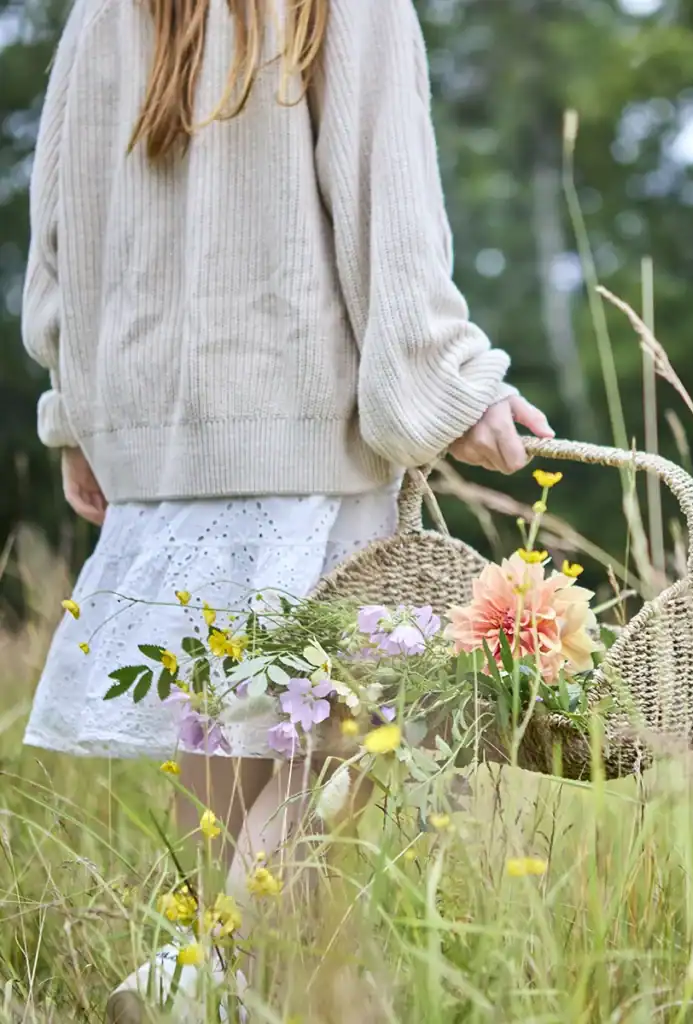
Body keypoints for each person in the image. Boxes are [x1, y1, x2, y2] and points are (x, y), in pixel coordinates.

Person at [20, 0, 552, 1017]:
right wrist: (452, 385)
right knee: (338, 749)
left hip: (156, 451)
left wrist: (74, 412)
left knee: (225, 757)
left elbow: (62, 216)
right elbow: (386, 206)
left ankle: (199, 972)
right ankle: (200, 982)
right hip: (302, 437)